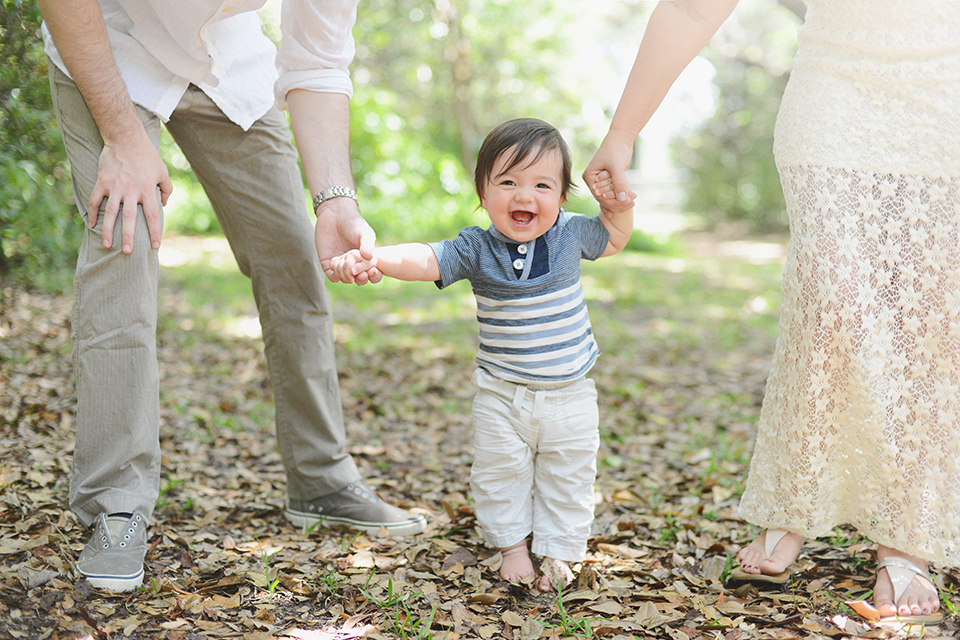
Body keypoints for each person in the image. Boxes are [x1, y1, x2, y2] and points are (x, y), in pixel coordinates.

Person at [584, 0, 959, 623]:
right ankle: (793, 499)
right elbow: (691, 7)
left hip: (946, 108)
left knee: (924, 325)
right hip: (836, 99)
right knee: (829, 304)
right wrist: (622, 132)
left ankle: (905, 538)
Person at [38, 0, 426, 593]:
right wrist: (121, 136)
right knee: (125, 243)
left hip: (228, 65)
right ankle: (115, 502)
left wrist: (335, 199)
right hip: (108, 49)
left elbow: (319, 62)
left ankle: (321, 480)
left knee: (294, 256)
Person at [329, 118, 635, 591]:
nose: (524, 196)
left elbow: (614, 238)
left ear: (561, 197)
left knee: (569, 474)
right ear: (483, 191)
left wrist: (617, 209)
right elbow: (426, 259)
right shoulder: (475, 248)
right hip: (502, 395)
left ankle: (558, 548)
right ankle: (512, 543)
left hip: (571, 394)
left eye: (541, 185)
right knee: (499, 472)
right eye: (508, 182)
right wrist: (377, 257)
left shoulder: (572, 234)